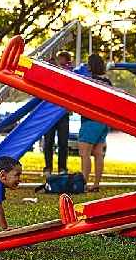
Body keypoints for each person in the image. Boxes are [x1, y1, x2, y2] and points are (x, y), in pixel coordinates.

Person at [78, 53, 112, 192]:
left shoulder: (89, 81)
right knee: (98, 154)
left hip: (90, 121)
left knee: (84, 153)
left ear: (91, 66)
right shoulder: (107, 82)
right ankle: (96, 184)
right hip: (103, 122)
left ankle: (84, 183)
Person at [43, 51, 73, 177]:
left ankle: (62, 168)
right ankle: (48, 168)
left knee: (63, 143)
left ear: (66, 61)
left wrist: (56, 65)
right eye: (58, 59)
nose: (59, 61)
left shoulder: (69, 72)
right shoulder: (51, 72)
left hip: (62, 113)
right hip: (49, 114)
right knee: (48, 142)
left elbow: (67, 77)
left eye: (61, 59)